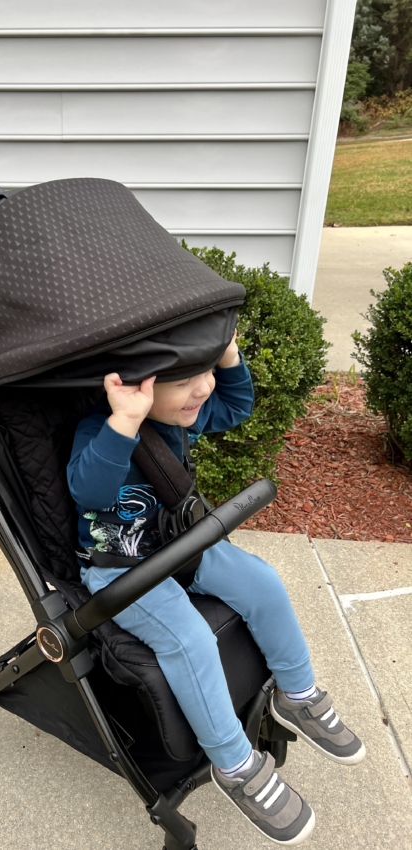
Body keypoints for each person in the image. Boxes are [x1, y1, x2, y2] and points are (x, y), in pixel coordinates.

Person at [67, 331, 365, 846]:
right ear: (135, 386)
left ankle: (297, 693)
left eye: (204, 372)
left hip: (181, 546)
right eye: (184, 380)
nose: (202, 387)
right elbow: (88, 490)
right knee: (189, 639)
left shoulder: (178, 416)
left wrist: (227, 355)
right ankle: (235, 765)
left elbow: (234, 405)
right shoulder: (102, 430)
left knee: (262, 583)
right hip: (121, 571)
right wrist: (126, 420)